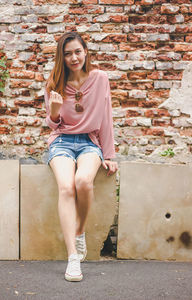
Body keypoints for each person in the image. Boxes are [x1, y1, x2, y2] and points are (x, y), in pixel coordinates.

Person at [44, 31, 118, 282]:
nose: (73, 57)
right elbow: (54, 125)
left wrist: (109, 154)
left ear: (85, 51)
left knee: (83, 182)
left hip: (89, 142)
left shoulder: (100, 79)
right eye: (67, 54)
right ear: (61, 58)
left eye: (77, 51)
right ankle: (73, 258)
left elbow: (106, 117)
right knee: (66, 187)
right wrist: (54, 113)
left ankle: (80, 230)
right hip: (62, 142)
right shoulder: (54, 83)